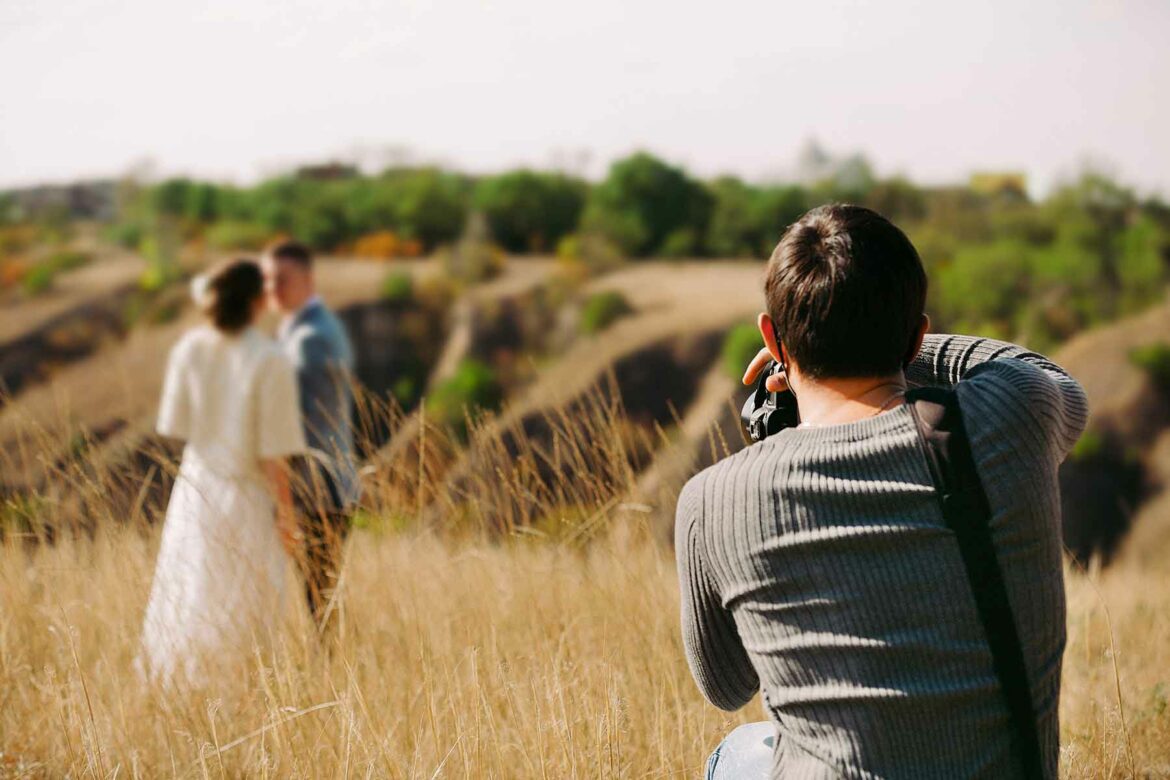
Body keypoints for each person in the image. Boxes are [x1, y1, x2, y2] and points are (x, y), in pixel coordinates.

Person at [676, 205, 1088, 778]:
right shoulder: (1015, 415)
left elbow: (725, 685)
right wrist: (895, 339)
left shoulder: (713, 498)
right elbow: (1041, 373)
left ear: (772, 337)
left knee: (740, 750)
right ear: (918, 334)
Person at [139, 259, 306, 686]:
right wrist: (286, 514)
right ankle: (240, 695)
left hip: (195, 490)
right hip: (247, 497)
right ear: (258, 299)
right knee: (247, 603)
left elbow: (174, 423)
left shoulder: (189, 349)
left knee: (191, 593)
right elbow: (274, 452)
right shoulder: (270, 359)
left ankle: (181, 690)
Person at [261, 240, 360, 636]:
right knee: (319, 597)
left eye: (282, 279)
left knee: (319, 600)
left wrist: (283, 502)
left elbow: (292, 430)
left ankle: (330, 681)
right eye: (268, 280)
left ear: (308, 280)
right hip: (322, 486)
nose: (273, 288)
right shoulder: (303, 329)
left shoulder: (310, 341)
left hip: (318, 489)